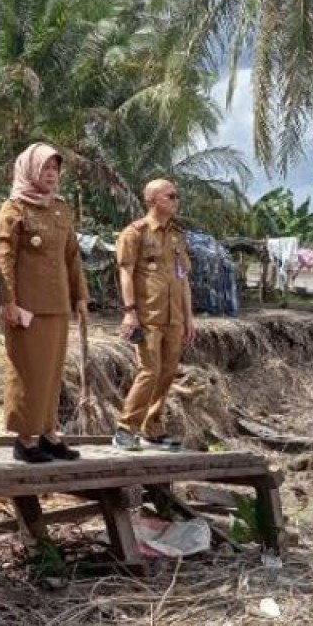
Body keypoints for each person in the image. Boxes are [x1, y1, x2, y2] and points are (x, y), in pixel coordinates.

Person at [0, 142, 89, 464]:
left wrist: (80, 297)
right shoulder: (14, 208)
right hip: (27, 306)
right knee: (27, 371)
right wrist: (8, 302)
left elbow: (72, 257)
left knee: (51, 372)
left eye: (54, 169)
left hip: (58, 303)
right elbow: (4, 258)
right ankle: (25, 438)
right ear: (30, 170)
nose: (51, 175)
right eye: (45, 168)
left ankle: (49, 434)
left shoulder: (61, 209)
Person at [113, 179, 196, 451]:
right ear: (152, 200)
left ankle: (153, 427)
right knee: (150, 370)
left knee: (168, 372)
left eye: (176, 195)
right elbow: (125, 272)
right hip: (147, 314)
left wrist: (188, 317)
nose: (176, 199)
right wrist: (129, 312)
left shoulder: (176, 236)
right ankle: (126, 428)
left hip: (173, 318)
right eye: (170, 195)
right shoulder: (135, 233)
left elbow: (182, 278)